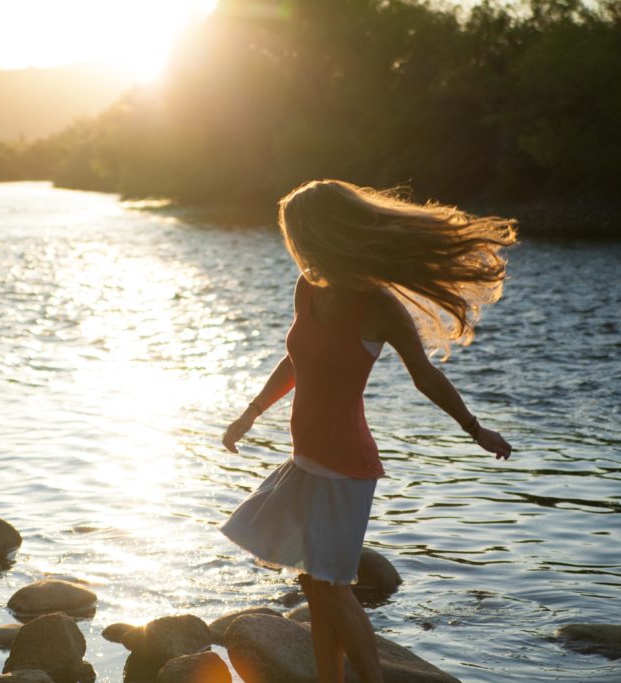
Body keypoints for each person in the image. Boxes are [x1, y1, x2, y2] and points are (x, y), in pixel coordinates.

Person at [220, 179, 516, 683]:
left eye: (297, 233)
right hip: (306, 460)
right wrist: (250, 413)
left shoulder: (375, 305)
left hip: (345, 467)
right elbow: (296, 360)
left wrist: (474, 428)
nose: (293, 244)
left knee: (332, 585)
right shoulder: (308, 287)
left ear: (322, 233)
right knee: (314, 586)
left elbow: (425, 376)